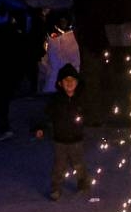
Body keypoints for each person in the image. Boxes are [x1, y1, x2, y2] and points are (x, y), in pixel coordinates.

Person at [35, 64, 92, 201]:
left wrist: (90, 118)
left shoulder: (80, 99)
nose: (69, 83)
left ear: (77, 83)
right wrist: (40, 128)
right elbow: (46, 115)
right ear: (60, 83)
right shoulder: (56, 101)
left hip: (76, 140)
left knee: (78, 163)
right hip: (59, 140)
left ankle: (83, 182)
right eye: (66, 81)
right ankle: (56, 188)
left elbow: (89, 112)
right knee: (59, 167)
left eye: (72, 80)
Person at [0, 14, 23, 140]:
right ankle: (5, 127)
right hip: (8, 76)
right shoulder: (14, 43)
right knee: (4, 103)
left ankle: (3, 128)